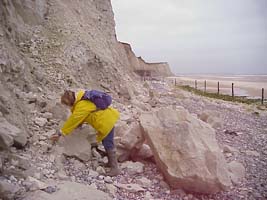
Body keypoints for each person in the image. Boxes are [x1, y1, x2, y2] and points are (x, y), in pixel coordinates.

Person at [50, 90, 120, 176]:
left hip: (106, 121)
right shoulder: (82, 98)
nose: (67, 107)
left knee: (108, 143)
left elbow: (74, 119)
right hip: (107, 118)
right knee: (106, 142)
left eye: (67, 105)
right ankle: (110, 163)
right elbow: (82, 116)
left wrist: (61, 133)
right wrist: (79, 125)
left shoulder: (81, 105)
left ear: (70, 102)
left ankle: (115, 168)